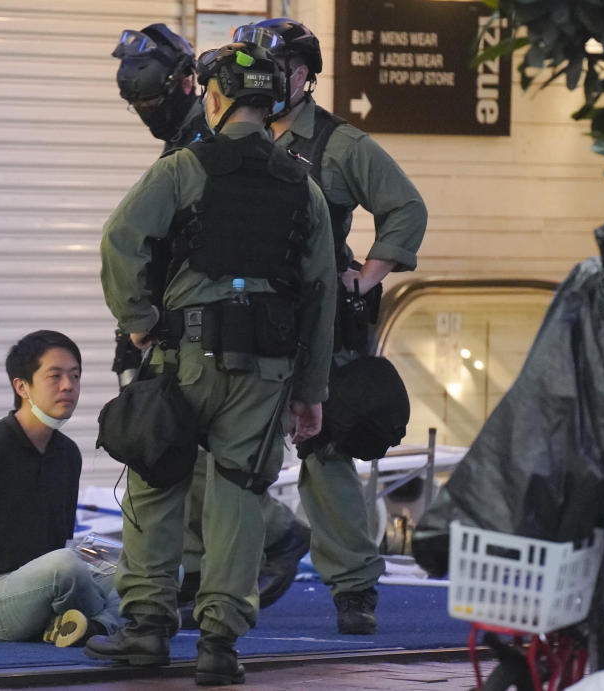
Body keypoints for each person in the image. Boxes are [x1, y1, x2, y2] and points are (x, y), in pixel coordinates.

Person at [86, 41, 337, 686]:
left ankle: (145, 630)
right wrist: (311, 392)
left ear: (215, 98)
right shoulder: (302, 187)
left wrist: (138, 323)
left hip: (184, 357)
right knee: (239, 495)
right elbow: (320, 292)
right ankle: (219, 643)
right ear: (273, 102)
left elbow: (121, 240)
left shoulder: (183, 169)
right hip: (269, 369)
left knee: (158, 479)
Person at [232, 18, 429, 635]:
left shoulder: (341, 145)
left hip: (322, 321)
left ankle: (353, 589)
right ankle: (234, 571)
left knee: (326, 448)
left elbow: (405, 207)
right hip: (247, 317)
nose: (267, 81)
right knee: (229, 448)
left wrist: (364, 280)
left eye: (280, 68)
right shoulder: (233, 133)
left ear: (304, 74)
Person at [112, 22, 312, 618]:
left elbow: (127, 240)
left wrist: (137, 320)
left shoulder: (205, 150)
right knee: (202, 466)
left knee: (176, 465)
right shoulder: (199, 146)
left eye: (151, 99)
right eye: (136, 102)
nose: (145, 110)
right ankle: (210, 605)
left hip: (196, 336)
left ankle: (254, 552)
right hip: (214, 336)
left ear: (200, 90)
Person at [0, 330, 121, 647]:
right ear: (22, 386)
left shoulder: (67, 454)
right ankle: (110, 625)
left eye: (75, 376)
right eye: (54, 376)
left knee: (150, 567)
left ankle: (90, 627)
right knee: (66, 566)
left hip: (45, 582)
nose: (68, 386)